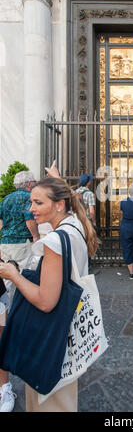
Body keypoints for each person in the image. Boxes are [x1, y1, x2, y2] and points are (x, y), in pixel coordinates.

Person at [0, 175, 98, 412]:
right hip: (69, 329)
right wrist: (56, 178)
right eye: (32, 202)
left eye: (38, 202)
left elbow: (45, 301)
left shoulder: (54, 241)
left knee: (49, 400)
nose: (31, 208)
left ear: (59, 204)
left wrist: (12, 275)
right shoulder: (75, 224)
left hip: (52, 336)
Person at [0, 170, 39, 412]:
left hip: (5, 242)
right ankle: (18, 321)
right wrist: (35, 237)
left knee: (6, 282)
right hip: (22, 244)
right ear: (28, 184)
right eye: (33, 182)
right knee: (22, 280)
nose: (34, 184)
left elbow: (1, 221)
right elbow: (29, 218)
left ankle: (7, 318)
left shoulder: (5, 198)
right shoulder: (27, 197)